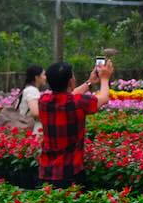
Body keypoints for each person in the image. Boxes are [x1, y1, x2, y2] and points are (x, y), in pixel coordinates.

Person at [38, 59, 113, 188]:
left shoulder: (43, 101)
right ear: (70, 81)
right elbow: (104, 98)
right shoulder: (79, 102)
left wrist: (89, 82)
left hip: (46, 172)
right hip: (70, 173)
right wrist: (105, 78)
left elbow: (68, 96)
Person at [17, 65, 47, 134]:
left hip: (24, 126)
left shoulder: (27, 88)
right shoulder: (32, 90)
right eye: (44, 75)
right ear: (37, 77)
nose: (45, 77)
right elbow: (35, 113)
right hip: (33, 129)